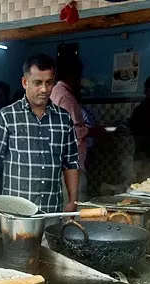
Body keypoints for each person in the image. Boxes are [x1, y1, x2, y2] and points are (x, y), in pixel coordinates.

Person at [0, 54, 79, 227]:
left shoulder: (63, 119)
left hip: (51, 212)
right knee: (18, 255)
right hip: (17, 215)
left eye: (49, 82)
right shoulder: (7, 117)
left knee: (51, 254)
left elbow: (71, 163)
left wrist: (73, 200)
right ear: (25, 83)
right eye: (38, 82)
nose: (44, 89)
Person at [51, 59, 90, 201]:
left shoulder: (55, 92)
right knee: (73, 210)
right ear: (73, 75)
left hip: (60, 164)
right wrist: (90, 131)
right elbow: (71, 132)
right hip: (70, 166)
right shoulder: (65, 97)